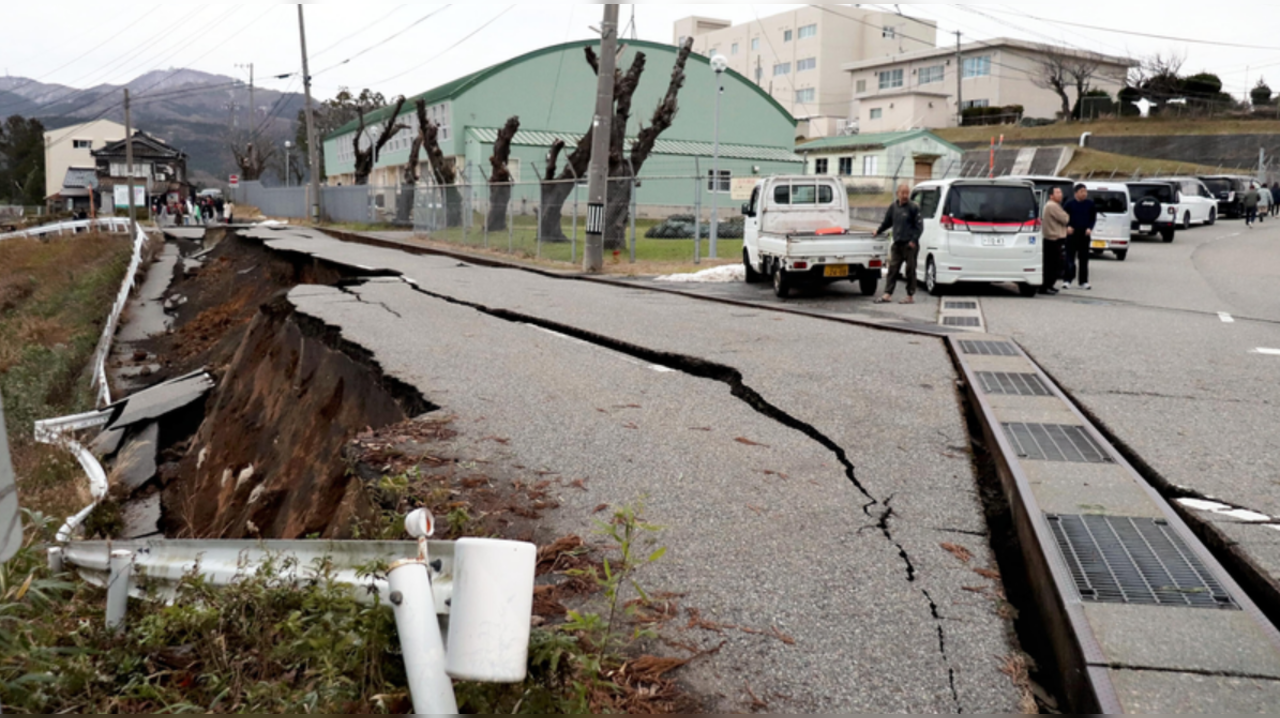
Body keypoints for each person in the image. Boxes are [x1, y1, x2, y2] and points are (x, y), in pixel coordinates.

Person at [873, 183, 924, 305]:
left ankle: (910, 295)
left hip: (909, 245)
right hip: (897, 244)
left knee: (910, 270)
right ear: (898, 194)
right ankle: (888, 294)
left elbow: (919, 227)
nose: (905, 196)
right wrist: (878, 231)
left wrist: (913, 241)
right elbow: (887, 222)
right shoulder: (893, 207)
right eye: (903, 193)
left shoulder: (914, 208)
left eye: (907, 193)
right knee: (893, 269)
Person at [1062, 183, 1098, 291]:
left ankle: (1083, 281)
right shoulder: (1069, 204)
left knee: (1084, 259)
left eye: (1085, 192)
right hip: (1072, 234)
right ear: (1076, 193)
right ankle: (1067, 280)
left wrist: (1090, 228)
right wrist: (1067, 227)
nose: (1084, 194)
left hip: (1084, 234)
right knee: (1069, 258)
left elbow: (1093, 218)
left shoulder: (1090, 204)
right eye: (1082, 192)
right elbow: (1063, 218)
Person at [1041, 186, 1070, 295]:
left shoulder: (1054, 205)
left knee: (1054, 264)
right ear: (1051, 195)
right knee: (1052, 265)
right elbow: (1065, 219)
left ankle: (1049, 285)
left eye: (1060, 192)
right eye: (1057, 192)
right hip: (1053, 239)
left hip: (1054, 239)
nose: (1060, 194)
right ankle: (1046, 286)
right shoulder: (1052, 206)